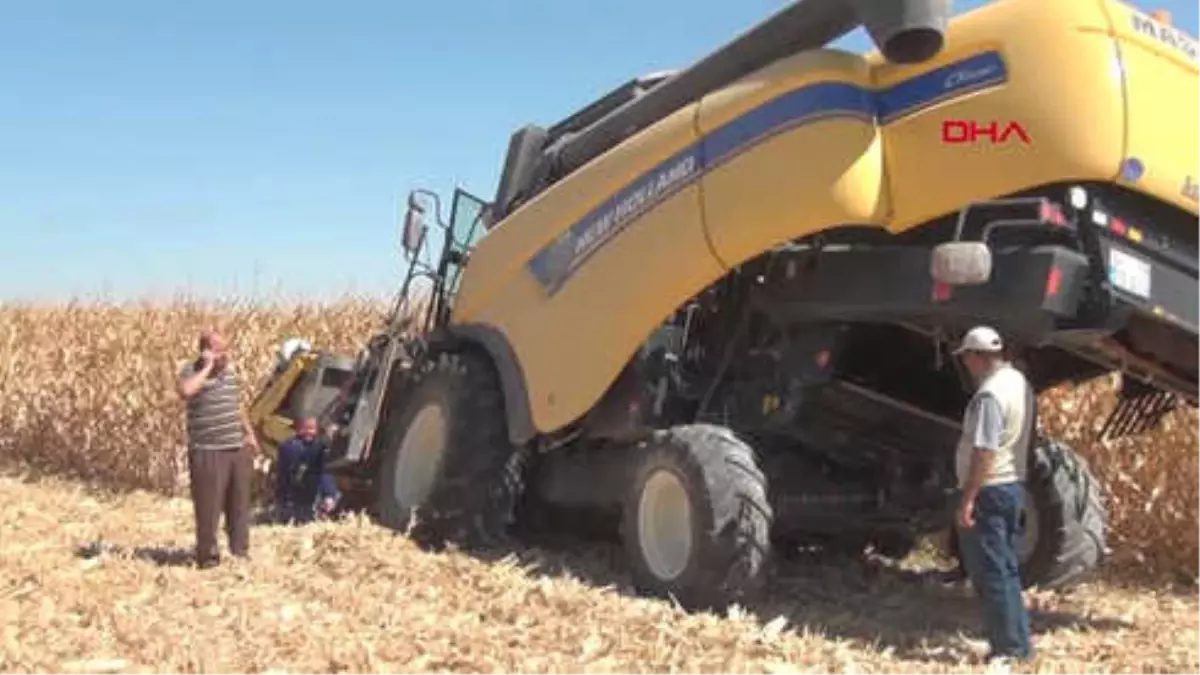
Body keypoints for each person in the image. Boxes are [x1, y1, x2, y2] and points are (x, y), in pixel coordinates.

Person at [951, 325, 1036, 664]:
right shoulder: (1018, 382)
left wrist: (969, 497)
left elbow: (984, 450)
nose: (966, 364)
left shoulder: (989, 396)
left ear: (976, 357)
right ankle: (1018, 645)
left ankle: (1008, 650)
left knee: (991, 573)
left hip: (989, 490)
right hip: (1012, 485)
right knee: (1007, 570)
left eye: (966, 357)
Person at [176, 328, 260, 568]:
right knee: (209, 508)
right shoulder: (192, 372)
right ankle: (208, 557)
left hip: (236, 449)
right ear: (205, 351)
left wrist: (249, 435)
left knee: (239, 505)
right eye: (219, 350)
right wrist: (206, 367)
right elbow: (185, 391)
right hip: (208, 450)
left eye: (226, 350)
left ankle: (239, 552)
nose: (225, 355)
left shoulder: (230, 373)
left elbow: (236, 405)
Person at [275, 416, 342, 524]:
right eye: (305, 428)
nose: (309, 432)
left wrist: (330, 494)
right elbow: (306, 458)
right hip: (291, 501)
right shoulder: (289, 446)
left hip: (309, 499)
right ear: (298, 429)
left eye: (312, 429)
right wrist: (327, 440)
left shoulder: (317, 447)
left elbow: (323, 471)